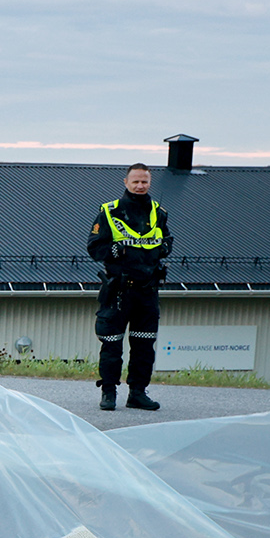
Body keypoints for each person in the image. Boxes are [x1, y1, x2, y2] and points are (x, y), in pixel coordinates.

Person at [88, 162, 173, 411]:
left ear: (150, 183)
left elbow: (167, 239)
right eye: (135, 181)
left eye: (144, 181)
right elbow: (94, 247)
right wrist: (114, 250)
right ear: (125, 182)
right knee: (112, 343)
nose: (140, 185)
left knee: (144, 345)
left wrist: (166, 247)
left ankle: (137, 393)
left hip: (147, 290)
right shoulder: (109, 211)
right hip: (119, 290)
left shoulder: (159, 212)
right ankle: (109, 392)